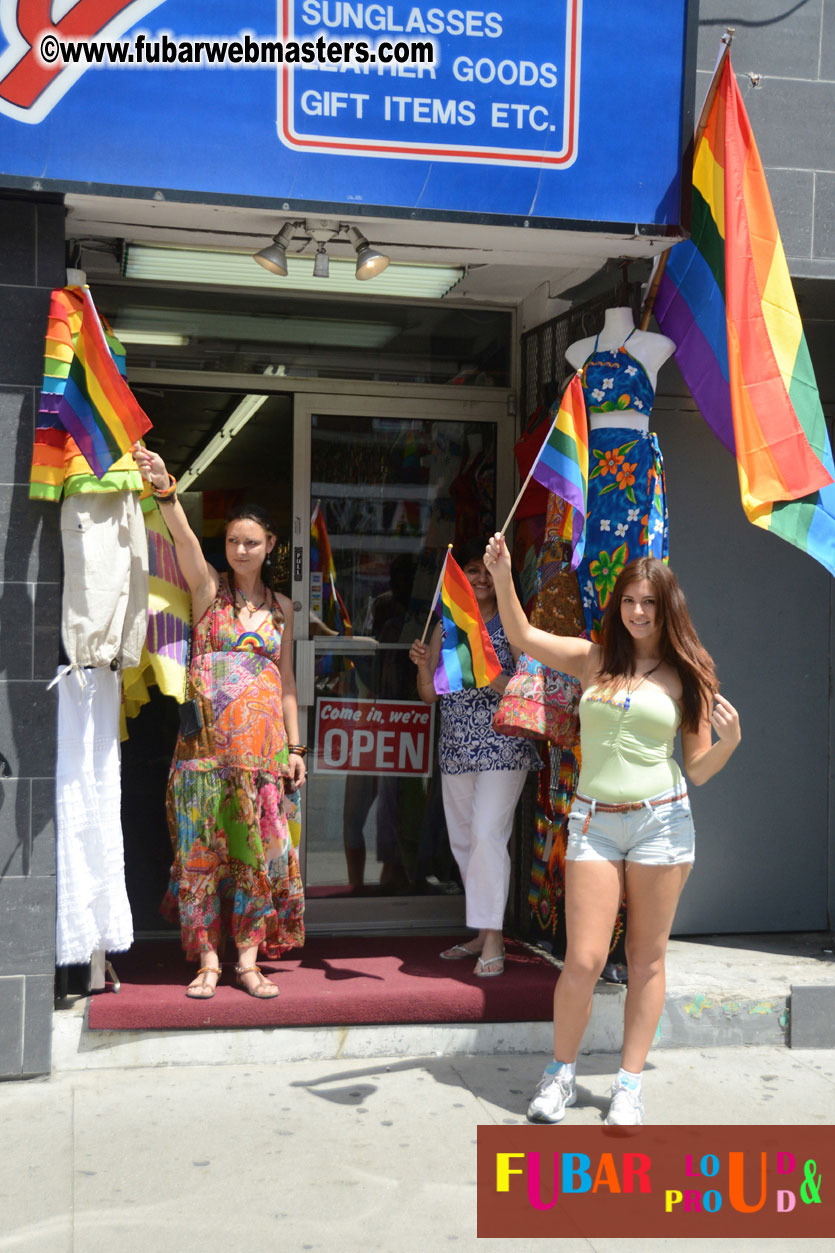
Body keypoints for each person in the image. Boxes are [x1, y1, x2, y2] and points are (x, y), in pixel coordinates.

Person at [484, 533, 741, 1123]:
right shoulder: (593, 657)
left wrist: (730, 744)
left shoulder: (690, 674)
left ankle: (628, 1084)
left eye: (650, 602)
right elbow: (523, 637)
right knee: (583, 959)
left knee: (647, 960)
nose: (638, 612)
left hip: (661, 825)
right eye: (629, 601)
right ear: (617, 605)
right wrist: (501, 573)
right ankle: (559, 1076)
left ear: (667, 606)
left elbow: (698, 768)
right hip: (595, 822)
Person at [133, 444, 306, 1000]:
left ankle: (249, 962)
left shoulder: (283, 608)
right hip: (204, 754)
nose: (240, 549)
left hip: (263, 755)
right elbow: (183, 537)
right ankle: (207, 960)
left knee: (256, 859)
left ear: (271, 546)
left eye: (251, 542)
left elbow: (287, 683)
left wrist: (297, 750)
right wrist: (166, 489)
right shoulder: (208, 592)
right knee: (200, 855)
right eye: (232, 541)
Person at [409, 538, 541, 976]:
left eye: (487, 569)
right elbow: (429, 696)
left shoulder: (511, 621)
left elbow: (527, 687)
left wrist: (489, 673)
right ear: (460, 579)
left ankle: (495, 937)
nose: (481, 577)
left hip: (503, 745)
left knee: (486, 835)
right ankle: (484, 932)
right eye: (473, 569)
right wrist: (423, 666)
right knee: (464, 841)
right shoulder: (447, 627)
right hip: (457, 745)